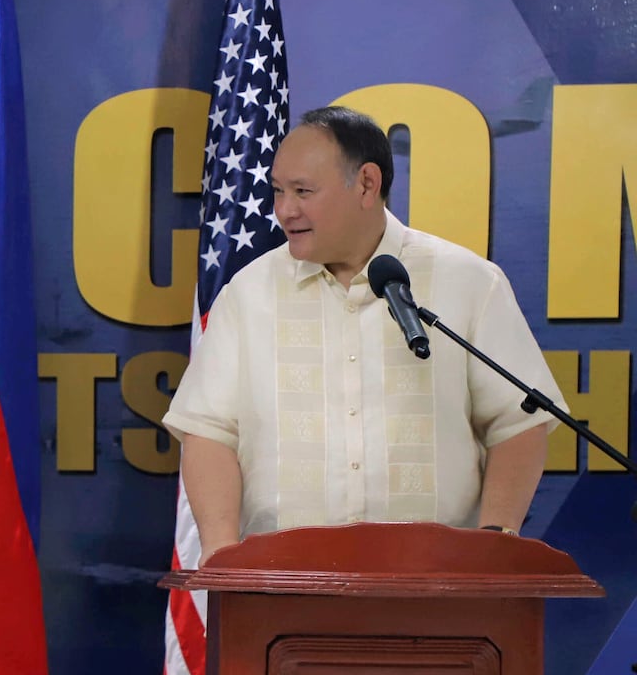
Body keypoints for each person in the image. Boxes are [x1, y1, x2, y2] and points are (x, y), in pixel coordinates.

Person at [164, 105, 562, 556]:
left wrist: (495, 549)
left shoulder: (469, 283)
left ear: (367, 185)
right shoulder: (248, 293)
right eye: (277, 191)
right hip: (281, 588)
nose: (284, 211)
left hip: (439, 586)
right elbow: (209, 431)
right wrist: (222, 559)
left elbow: (518, 420)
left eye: (302, 191)